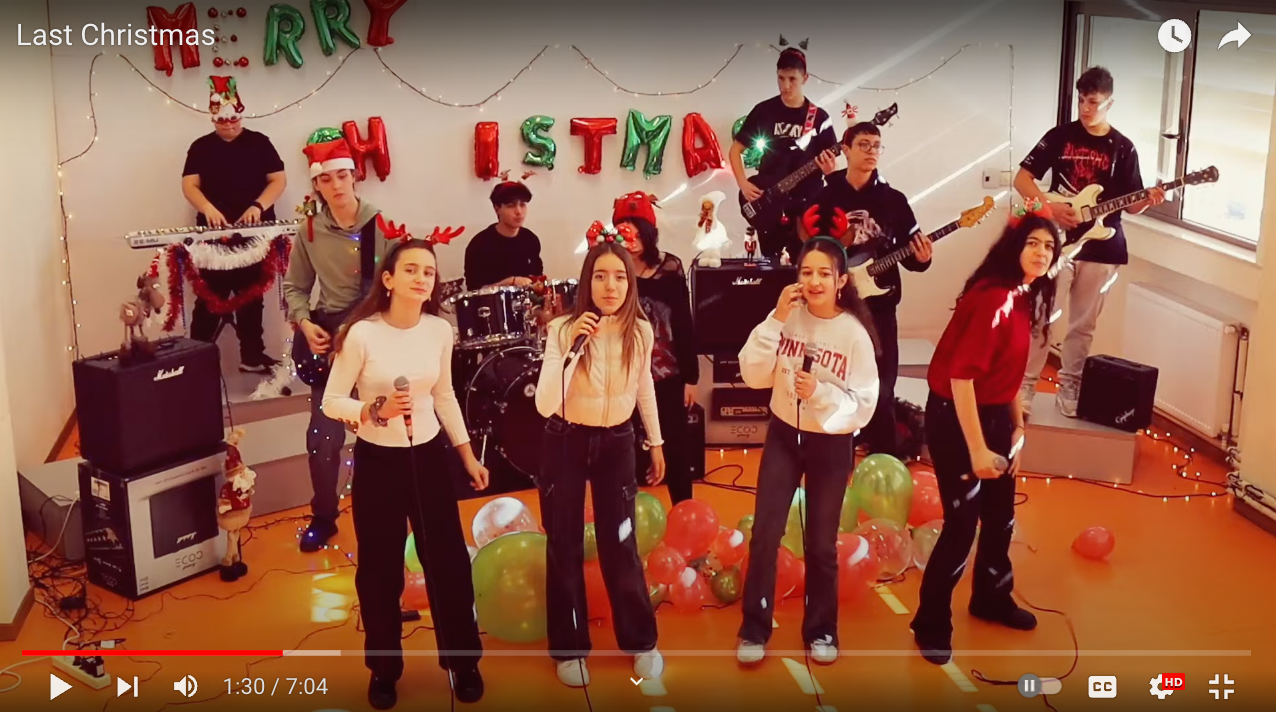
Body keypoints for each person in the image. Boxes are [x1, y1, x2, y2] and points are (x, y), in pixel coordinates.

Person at [322, 238, 488, 709]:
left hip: (429, 458)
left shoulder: (439, 330)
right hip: (378, 462)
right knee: (379, 570)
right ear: (389, 279)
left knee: (448, 563)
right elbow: (332, 402)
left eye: (428, 272)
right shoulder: (361, 334)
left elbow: (444, 395)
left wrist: (467, 456)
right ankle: (384, 669)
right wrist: (373, 411)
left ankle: (462, 662)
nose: (421, 278)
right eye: (411, 269)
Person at [910, 210, 1062, 665]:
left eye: (1049, 247)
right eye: (1033, 243)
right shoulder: (994, 299)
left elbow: (1007, 374)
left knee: (1000, 517)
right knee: (962, 526)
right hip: (957, 416)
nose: (1041, 252)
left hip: (993, 414)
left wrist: (1017, 426)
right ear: (1014, 248)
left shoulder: (1023, 295)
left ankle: (992, 597)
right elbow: (962, 379)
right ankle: (930, 622)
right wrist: (977, 448)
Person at [735, 225, 881, 666]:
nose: (814, 281)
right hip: (783, 435)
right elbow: (752, 374)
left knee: (820, 543)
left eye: (824, 273)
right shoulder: (786, 318)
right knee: (765, 535)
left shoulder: (854, 334)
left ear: (841, 280)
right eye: (806, 272)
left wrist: (819, 393)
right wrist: (775, 320)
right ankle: (754, 628)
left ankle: (821, 630)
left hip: (830, 446)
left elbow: (864, 406)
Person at [533, 225, 666, 688]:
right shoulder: (561, 330)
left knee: (621, 541)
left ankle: (640, 640)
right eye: (601, 277)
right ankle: (569, 647)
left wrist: (656, 440)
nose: (611, 287)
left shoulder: (640, 330)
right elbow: (545, 403)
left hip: (617, 442)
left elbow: (644, 386)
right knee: (564, 542)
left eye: (620, 277)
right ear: (587, 282)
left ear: (631, 283)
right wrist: (573, 348)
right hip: (564, 439)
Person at [1015, 66, 1165, 418]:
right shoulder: (1060, 136)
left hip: (1102, 245)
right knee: (1042, 316)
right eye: (1082, 100)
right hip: (1056, 242)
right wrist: (1049, 209)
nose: (1085, 108)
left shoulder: (1123, 148)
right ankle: (1026, 385)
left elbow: (1132, 204)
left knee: (1083, 325)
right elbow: (1023, 180)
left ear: (1110, 103)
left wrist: (1148, 199)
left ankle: (1071, 384)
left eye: (1093, 102)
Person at [283, 136, 395, 552]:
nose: (336, 185)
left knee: (382, 430)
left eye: (343, 176)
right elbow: (295, 287)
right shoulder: (309, 230)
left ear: (354, 177)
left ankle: (384, 512)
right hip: (330, 345)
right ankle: (324, 515)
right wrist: (304, 323)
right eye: (327, 179)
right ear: (317, 185)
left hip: (374, 340)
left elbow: (395, 286)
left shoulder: (380, 226)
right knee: (323, 438)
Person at [800, 121, 933, 457]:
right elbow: (809, 247)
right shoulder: (825, 197)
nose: (872, 151)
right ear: (846, 149)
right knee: (836, 381)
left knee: (883, 385)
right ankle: (837, 453)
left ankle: (884, 454)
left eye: (876, 145)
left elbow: (912, 259)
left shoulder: (895, 201)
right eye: (863, 144)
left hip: (881, 306)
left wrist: (923, 259)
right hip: (838, 307)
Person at [181, 75, 287, 372]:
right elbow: (189, 185)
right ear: (212, 117)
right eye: (222, 121)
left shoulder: (260, 142)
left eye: (233, 120)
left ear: (241, 114)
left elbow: (278, 180)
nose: (228, 125)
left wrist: (258, 206)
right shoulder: (200, 147)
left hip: (256, 236)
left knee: (252, 296)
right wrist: (207, 208)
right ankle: (197, 362)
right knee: (209, 298)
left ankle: (252, 356)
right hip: (214, 239)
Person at [613, 191, 700, 504]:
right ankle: (626, 515)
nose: (634, 241)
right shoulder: (614, 270)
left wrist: (691, 377)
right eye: (626, 232)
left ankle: (684, 509)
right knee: (624, 448)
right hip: (625, 372)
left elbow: (684, 323)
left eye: (639, 233)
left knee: (676, 445)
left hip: (667, 372)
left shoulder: (670, 268)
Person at [731, 46, 839, 262]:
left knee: (807, 261)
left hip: (807, 203)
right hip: (771, 200)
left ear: (805, 78)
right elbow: (735, 150)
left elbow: (831, 160)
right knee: (771, 264)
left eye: (792, 79)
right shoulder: (764, 111)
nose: (786, 85)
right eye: (781, 78)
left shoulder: (819, 118)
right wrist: (743, 183)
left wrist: (830, 171)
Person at [464, 180, 544, 290]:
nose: (519, 212)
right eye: (511, 206)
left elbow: (538, 279)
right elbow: (474, 291)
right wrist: (509, 282)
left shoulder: (530, 239)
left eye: (522, 205)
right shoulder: (479, 245)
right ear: (497, 208)